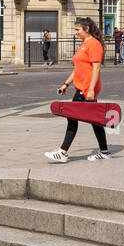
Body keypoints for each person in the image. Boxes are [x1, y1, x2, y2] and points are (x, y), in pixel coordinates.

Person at [45, 18, 109, 163]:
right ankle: (104, 151)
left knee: (72, 118)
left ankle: (62, 152)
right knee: (95, 120)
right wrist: (65, 84)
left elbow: (96, 68)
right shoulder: (83, 45)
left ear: (87, 29)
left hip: (87, 88)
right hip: (81, 87)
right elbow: (78, 69)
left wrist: (91, 89)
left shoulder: (94, 44)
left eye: (77, 30)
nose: (76, 33)